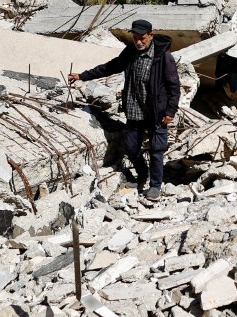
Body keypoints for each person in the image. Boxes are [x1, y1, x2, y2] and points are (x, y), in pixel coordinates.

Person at [69, 19, 179, 199]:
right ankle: (142, 174)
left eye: (142, 38)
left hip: (156, 113)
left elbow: (174, 86)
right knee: (130, 147)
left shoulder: (163, 57)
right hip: (135, 111)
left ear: (150, 36)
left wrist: (170, 112)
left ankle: (155, 185)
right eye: (135, 38)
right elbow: (110, 67)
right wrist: (83, 75)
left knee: (157, 150)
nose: (139, 42)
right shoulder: (130, 52)